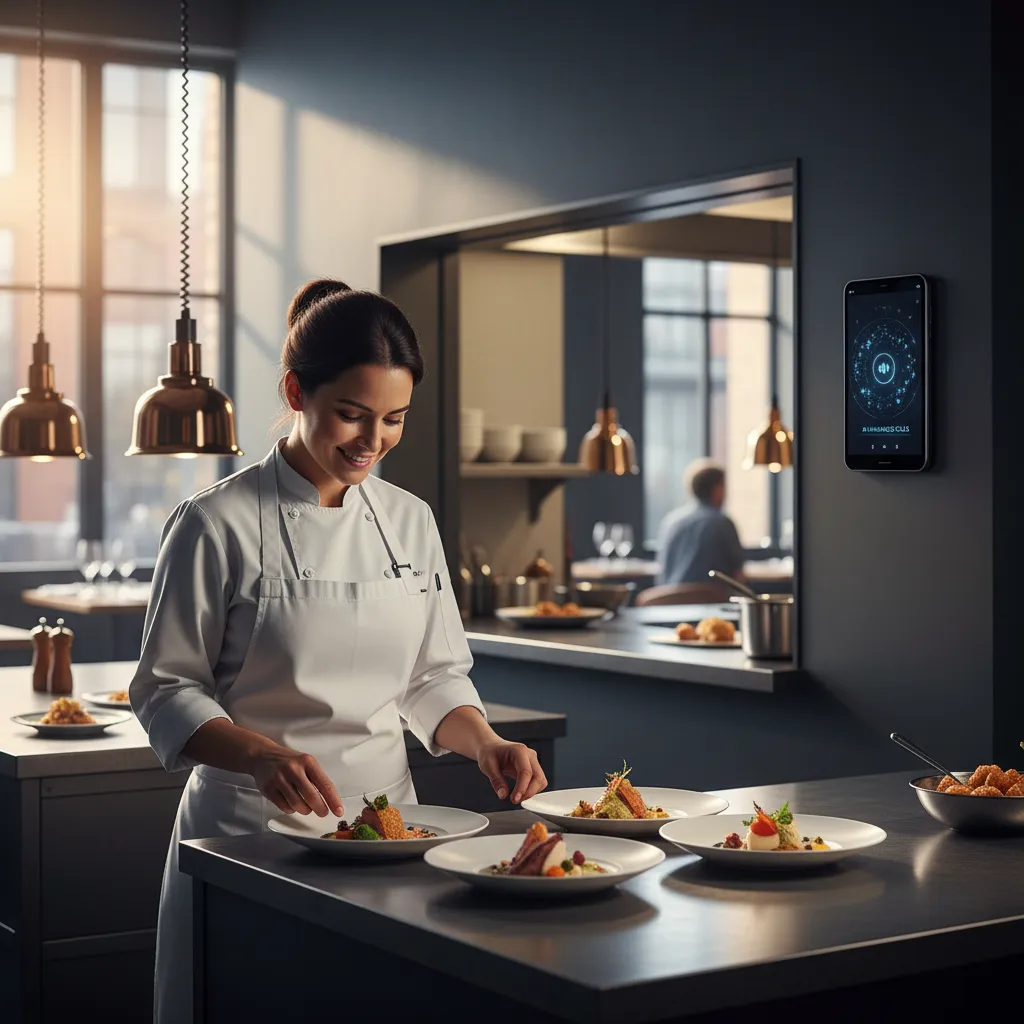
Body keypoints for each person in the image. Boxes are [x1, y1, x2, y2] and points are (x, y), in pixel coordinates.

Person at [131, 279, 549, 1024]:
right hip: (248, 835)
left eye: (394, 420)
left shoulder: (408, 520)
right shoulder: (214, 522)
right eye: (351, 415)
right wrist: (260, 755)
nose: (372, 441)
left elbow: (432, 677)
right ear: (297, 391)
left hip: (391, 833)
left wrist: (483, 740)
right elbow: (166, 691)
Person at [656, 458, 745, 585]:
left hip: (669, 601)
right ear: (716, 489)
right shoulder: (722, 523)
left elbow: (662, 573)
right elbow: (738, 574)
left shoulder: (671, 522)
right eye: (723, 486)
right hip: (713, 601)